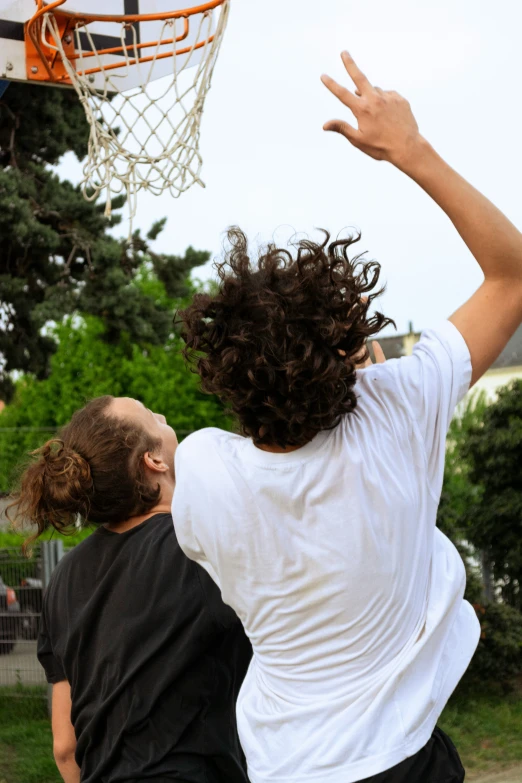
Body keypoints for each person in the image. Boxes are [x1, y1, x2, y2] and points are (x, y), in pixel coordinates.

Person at [171, 52, 522, 783]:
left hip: (284, 766)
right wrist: (410, 150)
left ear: (226, 373)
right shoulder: (399, 403)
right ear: (348, 352)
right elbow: (512, 274)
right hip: (404, 762)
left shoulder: (202, 470)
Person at [8, 396, 252, 783]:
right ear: (154, 461)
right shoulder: (203, 545)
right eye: (153, 416)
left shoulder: (64, 578)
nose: (164, 415)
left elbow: (65, 749)